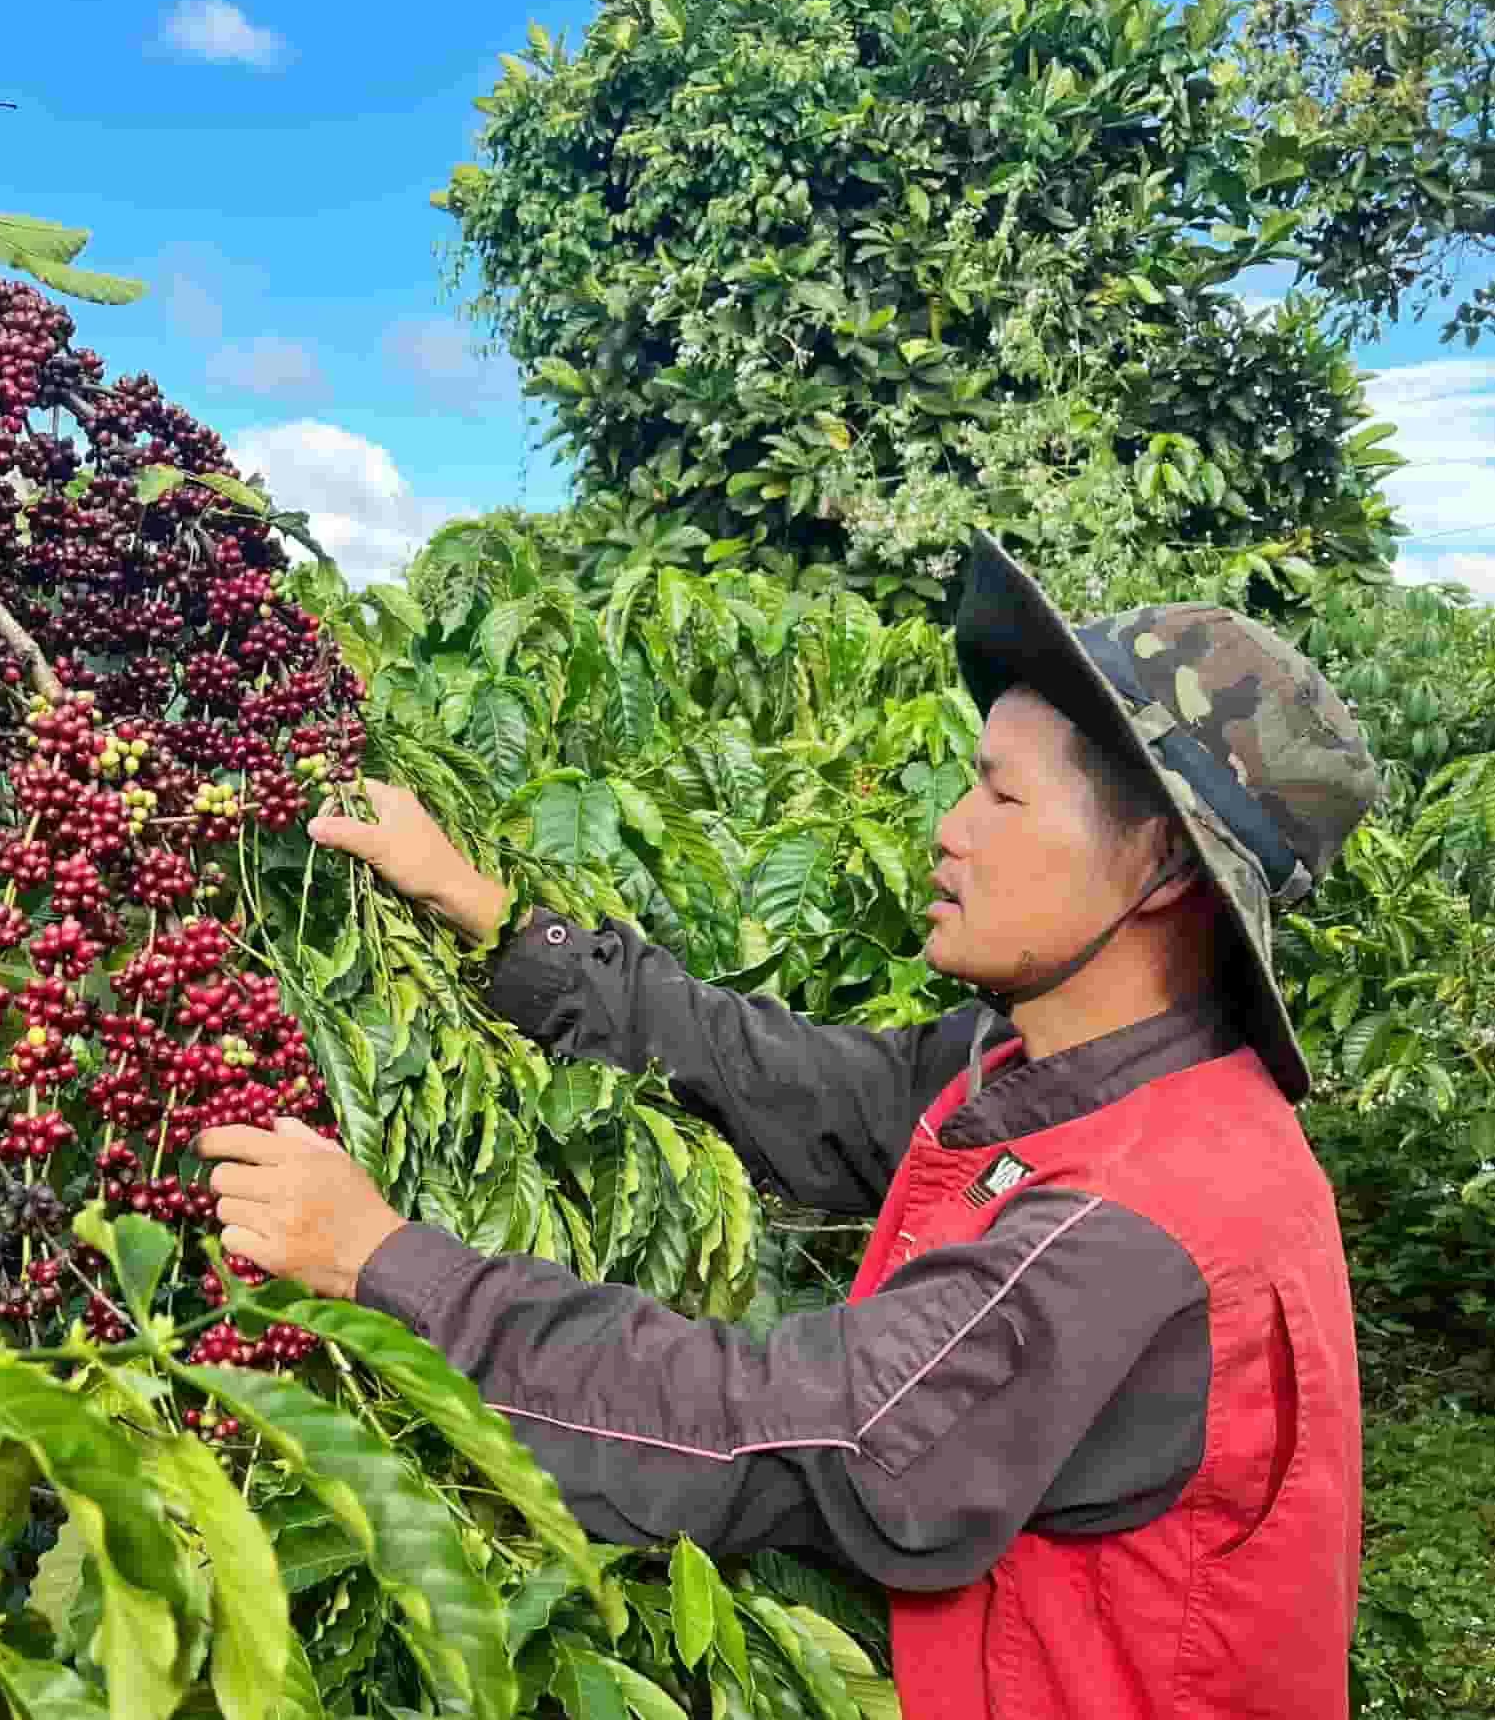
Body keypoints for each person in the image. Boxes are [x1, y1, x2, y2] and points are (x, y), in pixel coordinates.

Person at [196, 534, 1378, 1720]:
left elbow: (785, 1428)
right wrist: (486, 908)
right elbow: (807, 1085)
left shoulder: (1137, 1218)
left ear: (1163, 864)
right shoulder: (1069, 1073)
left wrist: (386, 1263)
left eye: (1003, 793)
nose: (950, 829)